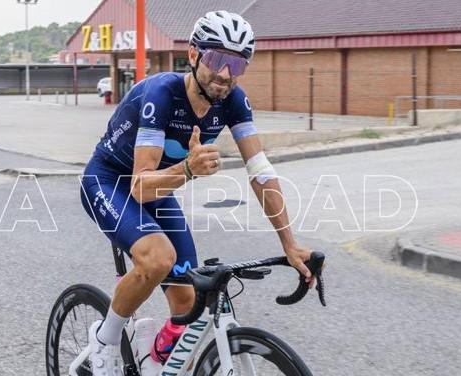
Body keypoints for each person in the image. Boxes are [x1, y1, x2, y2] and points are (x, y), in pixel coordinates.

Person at [79, 10, 315, 376]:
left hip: (160, 182)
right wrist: (187, 169)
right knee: (157, 258)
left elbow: (261, 171)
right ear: (193, 55)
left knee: (187, 300)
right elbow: (139, 186)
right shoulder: (161, 93)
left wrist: (289, 243)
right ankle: (105, 338)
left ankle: (152, 358)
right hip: (112, 179)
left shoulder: (232, 101)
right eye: (216, 59)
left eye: (236, 65)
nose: (224, 74)